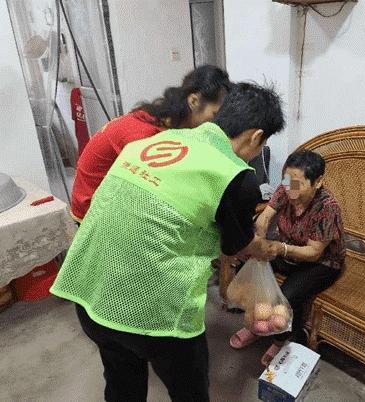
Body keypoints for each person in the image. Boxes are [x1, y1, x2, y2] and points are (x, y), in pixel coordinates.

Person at [50, 82, 285, 402]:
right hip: (154, 317)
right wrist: (270, 249)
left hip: (88, 293)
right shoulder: (234, 176)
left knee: (122, 385)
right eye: (262, 144)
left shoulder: (156, 141)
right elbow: (237, 246)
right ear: (256, 137)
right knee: (189, 393)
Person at [70, 65, 232, 222]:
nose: (216, 123)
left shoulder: (162, 119)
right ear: (194, 101)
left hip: (107, 194)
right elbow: (153, 192)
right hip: (91, 207)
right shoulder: (146, 135)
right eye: (214, 115)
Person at [229, 150, 345, 366]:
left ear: (318, 181)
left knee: (289, 296)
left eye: (298, 183)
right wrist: (260, 237)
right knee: (249, 262)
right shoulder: (287, 187)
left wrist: (280, 248)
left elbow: (314, 252)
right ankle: (255, 326)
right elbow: (265, 216)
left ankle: (279, 340)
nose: (290, 187)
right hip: (288, 250)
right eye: (287, 180)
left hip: (321, 263)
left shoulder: (327, 207)